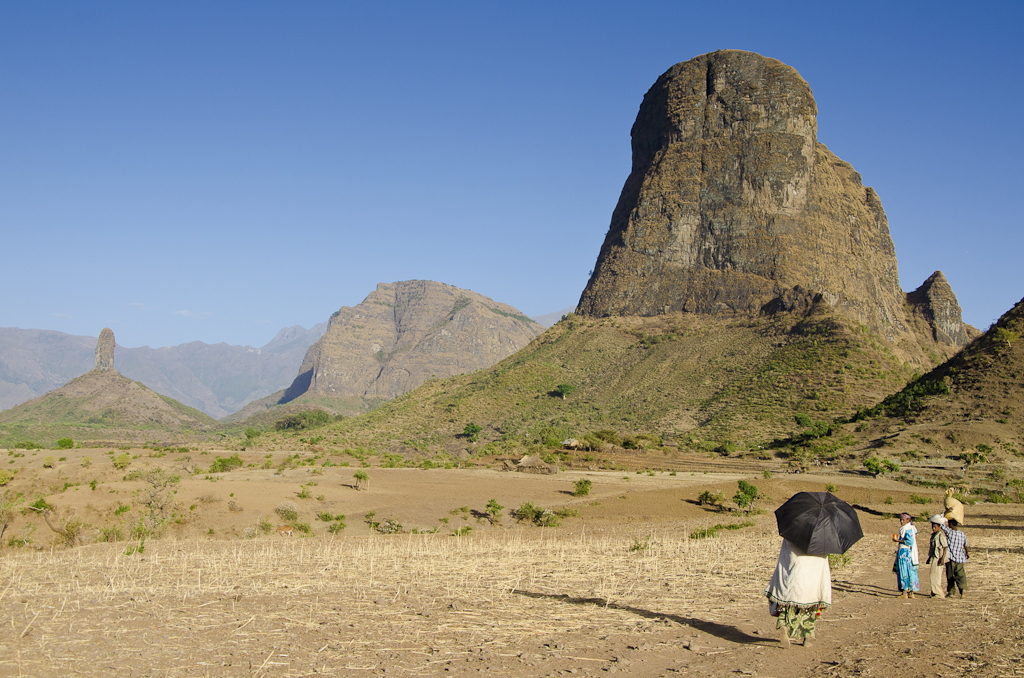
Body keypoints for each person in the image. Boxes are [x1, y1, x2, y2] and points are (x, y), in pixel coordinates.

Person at [765, 538, 831, 648]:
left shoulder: (793, 529)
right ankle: (806, 638)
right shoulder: (822, 534)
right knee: (810, 604)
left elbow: (785, 556)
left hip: (794, 570)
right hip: (813, 571)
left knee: (788, 601)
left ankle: (784, 626)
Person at [893, 513, 920, 598]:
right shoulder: (910, 528)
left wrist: (898, 540)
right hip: (908, 552)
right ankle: (911, 592)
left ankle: (905, 591)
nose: (901, 521)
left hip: (905, 552)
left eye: (903, 520)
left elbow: (909, 541)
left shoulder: (907, 529)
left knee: (904, 571)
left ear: (908, 520)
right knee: (910, 571)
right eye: (901, 520)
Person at [942, 518, 969, 598]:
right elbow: (966, 545)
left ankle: (951, 592)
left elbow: (941, 524)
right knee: (961, 575)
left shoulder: (949, 532)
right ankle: (963, 589)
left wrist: (944, 514)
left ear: (951, 524)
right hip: (960, 558)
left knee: (950, 575)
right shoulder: (962, 534)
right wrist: (967, 553)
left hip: (951, 558)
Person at [924, 514, 949, 598]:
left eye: (935, 527)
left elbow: (945, 547)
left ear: (939, 527)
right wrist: (929, 557)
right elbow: (932, 548)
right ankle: (935, 592)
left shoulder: (941, 535)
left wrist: (942, 559)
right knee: (933, 574)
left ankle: (938, 593)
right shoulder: (934, 535)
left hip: (939, 557)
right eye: (932, 527)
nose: (933, 528)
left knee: (935, 575)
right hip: (935, 557)